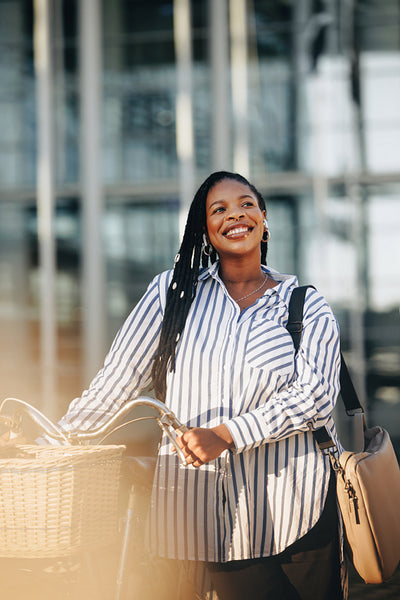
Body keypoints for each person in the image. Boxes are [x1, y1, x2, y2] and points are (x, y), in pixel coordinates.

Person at [55, 171, 344, 600]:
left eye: (246, 205)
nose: (235, 215)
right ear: (205, 231)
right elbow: (114, 385)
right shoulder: (170, 296)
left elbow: (315, 396)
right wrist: (52, 439)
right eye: (219, 209)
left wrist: (226, 434)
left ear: (264, 220)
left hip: (294, 511)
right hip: (198, 517)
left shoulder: (303, 303)